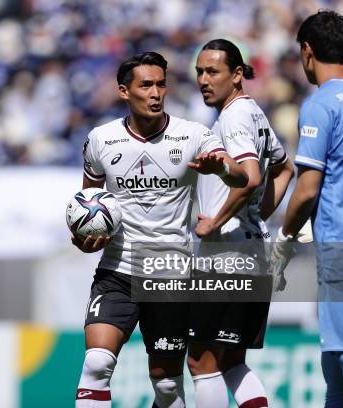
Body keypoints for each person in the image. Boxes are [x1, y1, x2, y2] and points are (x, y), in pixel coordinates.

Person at [72, 51, 248, 408]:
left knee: (166, 385)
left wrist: (223, 170)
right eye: (146, 85)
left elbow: (242, 176)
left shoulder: (193, 136)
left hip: (169, 274)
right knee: (97, 363)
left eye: (161, 84)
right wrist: (84, 238)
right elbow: (88, 205)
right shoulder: (100, 140)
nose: (156, 93)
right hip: (117, 270)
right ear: (124, 91)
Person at [272, 10, 343, 408]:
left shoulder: (321, 104)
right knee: (336, 369)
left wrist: (283, 241)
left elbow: (306, 189)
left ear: (306, 51)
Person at [189, 39, 294, 408]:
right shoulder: (254, 113)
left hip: (226, 255)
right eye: (200, 72)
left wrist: (215, 221)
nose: (204, 79)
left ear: (237, 75)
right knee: (232, 361)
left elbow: (249, 176)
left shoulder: (233, 117)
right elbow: (284, 168)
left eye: (213, 71)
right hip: (254, 253)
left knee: (201, 360)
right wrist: (256, 216)